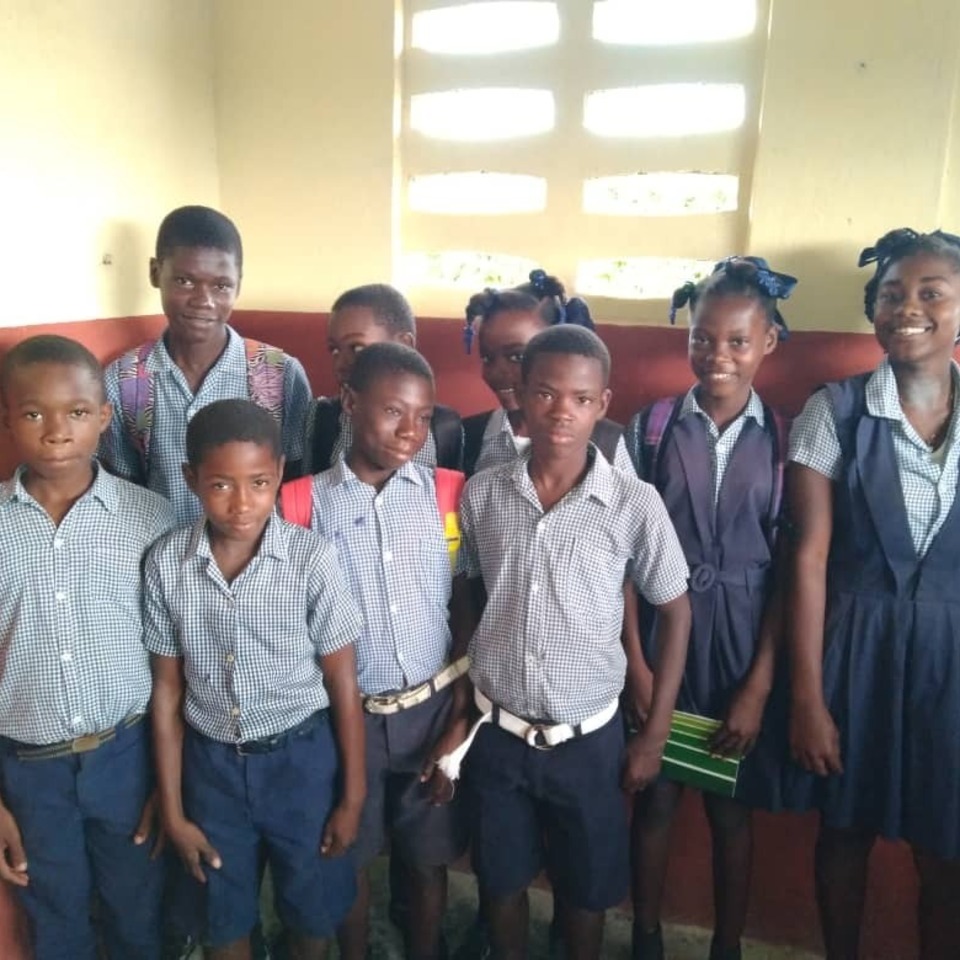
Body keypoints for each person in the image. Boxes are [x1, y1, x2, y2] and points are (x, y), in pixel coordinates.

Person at [436, 326, 692, 960]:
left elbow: (677, 612)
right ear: (520, 393)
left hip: (590, 742)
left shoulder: (634, 504)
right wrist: (465, 700)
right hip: (498, 736)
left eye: (580, 398)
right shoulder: (485, 493)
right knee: (500, 883)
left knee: (585, 894)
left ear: (603, 404)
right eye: (546, 393)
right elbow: (467, 592)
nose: (561, 411)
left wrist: (653, 737)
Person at [788, 228, 960, 960]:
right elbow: (808, 557)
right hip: (852, 654)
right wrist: (806, 698)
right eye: (891, 295)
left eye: (930, 294)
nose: (908, 309)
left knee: (946, 849)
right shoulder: (835, 411)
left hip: (950, 663)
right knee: (845, 829)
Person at [145, 399, 364, 960]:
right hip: (212, 768)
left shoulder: (311, 559)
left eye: (259, 482)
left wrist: (353, 794)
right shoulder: (167, 564)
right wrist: (172, 808)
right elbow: (168, 692)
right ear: (191, 478)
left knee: (310, 909)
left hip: (302, 762)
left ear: (280, 474)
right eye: (220, 484)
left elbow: (342, 679)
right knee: (223, 916)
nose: (242, 503)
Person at [625, 257, 794, 960]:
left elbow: (790, 567)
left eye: (736, 341)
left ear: (768, 345)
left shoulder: (785, 439)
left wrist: (759, 683)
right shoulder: (654, 428)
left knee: (731, 809)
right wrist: (633, 661)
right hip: (666, 637)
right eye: (702, 338)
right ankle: (645, 937)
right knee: (656, 797)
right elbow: (622, 557)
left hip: (742, 643)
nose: (716, 355)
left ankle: (727, 944)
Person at [284, 342, 468, 960]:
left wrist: (462, 709)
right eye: (393, 412)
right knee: (349, 855)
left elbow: (466, 602)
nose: (409, 431)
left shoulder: (449, 496)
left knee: (426, 858)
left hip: (433, 709)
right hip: (346, 716)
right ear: (350, 403)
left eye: (422, 416)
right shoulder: (300, 505)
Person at [0, 335, 175, 960]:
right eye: (32, 413)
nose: (54, 432)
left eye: (75, 413)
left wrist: (166, 779)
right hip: (27, 771)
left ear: (103, 419)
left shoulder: (148, 520)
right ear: (7, 419)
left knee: (137, 911)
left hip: (127, 758)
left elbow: (171, 661)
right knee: (56, 920)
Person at [99, 205, 312, 524]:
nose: (204, 301)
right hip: (161, 558)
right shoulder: (123, 381)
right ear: (156, 273)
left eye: (221, 285)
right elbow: (121, 486)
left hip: (258, 564)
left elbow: (296, 478)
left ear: (238, 284)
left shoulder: (280, 374)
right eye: (185, 281)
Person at [461, 269, 632, 475]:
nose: (498, 372)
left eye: (517, 357)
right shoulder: (469, 436)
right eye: (488, 358)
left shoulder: (607, 441)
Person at [299, 283, 463, 474]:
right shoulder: (322, 418)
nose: (340, 364)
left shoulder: (443, 428)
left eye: (357, 348)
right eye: (335, 350)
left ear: (404, 345)